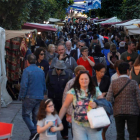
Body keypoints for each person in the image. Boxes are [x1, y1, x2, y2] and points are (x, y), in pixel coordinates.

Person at [59, 71, 103, 140]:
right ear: (78, 80)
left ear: (89, 80)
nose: (84, 81)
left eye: (86, 79)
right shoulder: (73, 91)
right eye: (81, 79)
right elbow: (65, 106)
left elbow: (103, 102)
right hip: (78, 125)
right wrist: (58, 120)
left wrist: (96, 103)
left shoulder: (95, 90)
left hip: (94, 123)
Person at [106, 62, 140, 140]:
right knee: (133, 134)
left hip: (118, 111)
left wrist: (114, 106)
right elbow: (139, 99)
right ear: (128, 71)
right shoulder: (133, 83)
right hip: (133, 112)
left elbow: (108, 99)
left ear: (118, 71)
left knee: (120, 134)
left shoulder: (114, 83)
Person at [18, 54, 47, 140]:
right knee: (35, 117)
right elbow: (44, 84)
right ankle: (35, 135)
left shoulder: (27, 71)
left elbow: (24, 85)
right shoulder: (41, 71)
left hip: (29, 96)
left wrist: (21, 96)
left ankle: (34, 131)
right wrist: (44, 94)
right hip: (39, 96)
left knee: (25, 115)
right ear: (35, 61)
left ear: (27, 62)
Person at [46, 60, 72, 139]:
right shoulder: (50, 73)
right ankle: (50, 133)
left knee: (63, 116)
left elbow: (69, 86)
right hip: (52, 98)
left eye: (61, 69)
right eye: (58, 69)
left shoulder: (67, 74)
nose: (59, 71)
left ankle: (64, 133)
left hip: (62, 98)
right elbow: (46, 83)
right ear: (55, 68)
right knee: (51, 116)